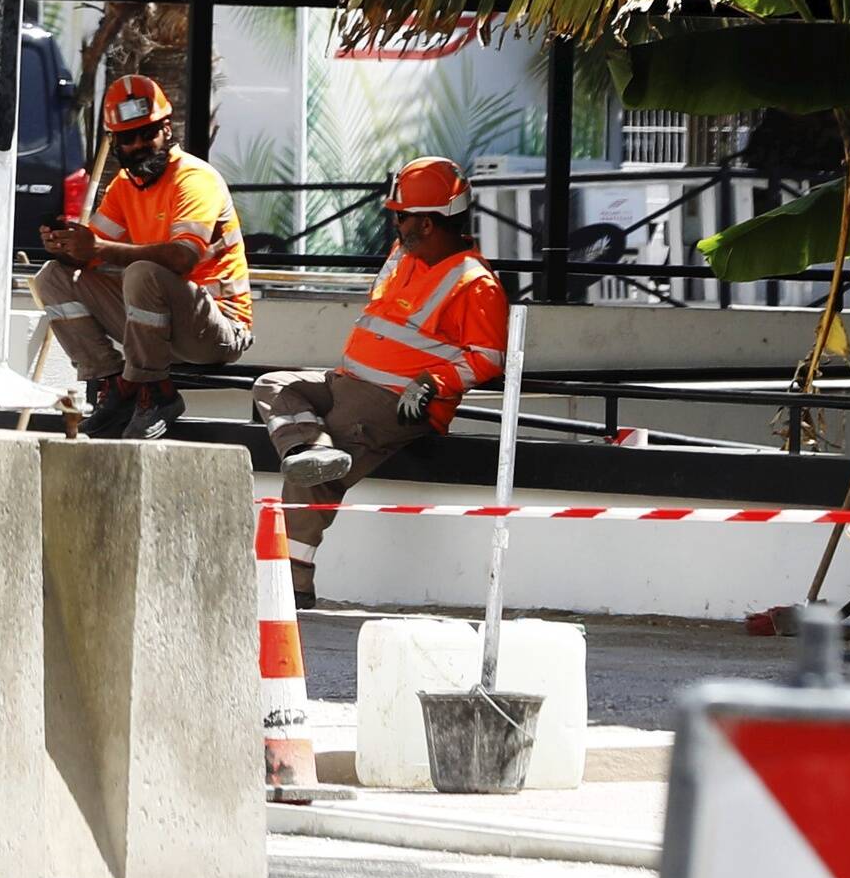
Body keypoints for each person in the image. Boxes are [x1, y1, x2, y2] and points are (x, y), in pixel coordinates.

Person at [251, 159, 512, 599]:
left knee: (309, 474)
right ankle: (313, 449)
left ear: (428, 223)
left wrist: (434, 383)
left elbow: (488, 357)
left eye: (402, 215)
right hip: (347, 381)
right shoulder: (403, 256)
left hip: (395, 402)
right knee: (274, 385)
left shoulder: (476, 283)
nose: (396, 222)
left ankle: (291, 586)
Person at [33, 75, 255, 437]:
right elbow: (94, 253)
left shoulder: (195, 178)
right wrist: (68, 247)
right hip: (158, 328)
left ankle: (157, 393)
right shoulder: (124, 186)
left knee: (141, 273)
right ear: (116, 142)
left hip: (216, 330)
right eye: (127, 138)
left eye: (147, 133)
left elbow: (183, 258)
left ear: (167, 131)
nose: (138, 145)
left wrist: (98, 248)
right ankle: (113, 386)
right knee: (52, 277)